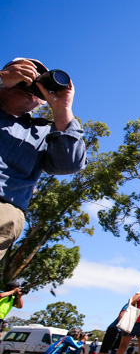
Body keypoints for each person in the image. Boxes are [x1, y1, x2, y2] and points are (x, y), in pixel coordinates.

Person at [0, 58, 86, 263]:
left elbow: (70, 164)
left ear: (41, 100)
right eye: (22, 73)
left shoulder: (41, 133)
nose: (29, 82)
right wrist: (2, 79)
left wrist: (62, 110)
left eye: (38, 82)